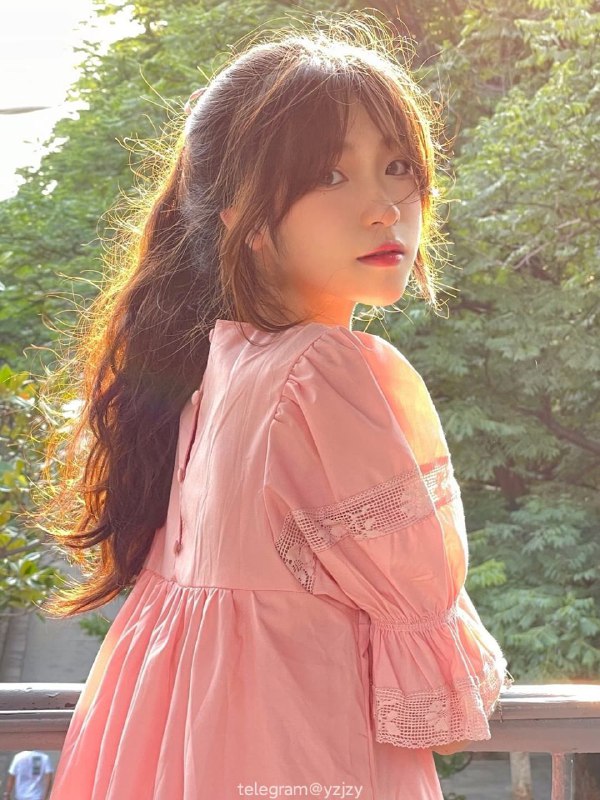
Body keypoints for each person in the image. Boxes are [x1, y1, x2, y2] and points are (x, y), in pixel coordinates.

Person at [38, 14, 513, 800]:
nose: (385, 206)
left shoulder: (213, 374)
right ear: (245, 219)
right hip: (301, 764)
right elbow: (444, 712)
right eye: (331, 175)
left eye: (397, 166)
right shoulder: (322, 374)